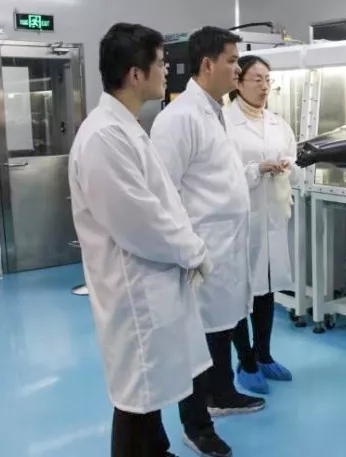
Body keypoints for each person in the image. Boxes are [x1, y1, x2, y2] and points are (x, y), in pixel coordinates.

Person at [68, 23, 214, 457]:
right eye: (161, 63)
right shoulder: (103, 137)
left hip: (152, 281)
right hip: (134, 288)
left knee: (150, 391)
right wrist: (192, 250)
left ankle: (157, 449)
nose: (167, 71)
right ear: (136, 74)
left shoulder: (125, 127)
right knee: (138, 395)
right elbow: (140, 222)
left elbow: (158, 202)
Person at [150, 26, 264, 457]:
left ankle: (222, 393)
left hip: (226, 245)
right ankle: (196, 424)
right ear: (207, 64)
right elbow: (164, 193)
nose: (238, 68)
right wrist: (187, 249)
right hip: (200, 248)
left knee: (222, 326)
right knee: (195, 340)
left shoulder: (217, 111)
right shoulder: (178, 119)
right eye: (232, 61)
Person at [224, 55, 300, 394]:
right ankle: (246, 360)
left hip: (272, 217)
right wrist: (257, 169)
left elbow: (294, 160)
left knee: (267, 287)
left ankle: (264, 354)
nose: (264, 86)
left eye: (268, 79)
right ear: (238, 82)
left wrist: (286, 166)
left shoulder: (278, 123)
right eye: (257, 79)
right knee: (242, 290)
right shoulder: (226, 123)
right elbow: (222, 175)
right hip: (241, 219)